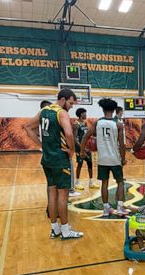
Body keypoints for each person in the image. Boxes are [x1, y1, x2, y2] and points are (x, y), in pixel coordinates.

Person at [24, 89, 84, 239]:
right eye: (70, 103)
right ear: (63, 100)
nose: (71, 107)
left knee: (52, 193)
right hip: (59, 159)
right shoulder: (61, 113)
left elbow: (27, 127)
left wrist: (41, 146)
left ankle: (55, 229)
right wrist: (71, 150)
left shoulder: (44, 110)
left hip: (47, 159)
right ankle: (65, 230)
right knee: (63, 194)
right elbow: (69, 134)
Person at [82, 98, 129, 216]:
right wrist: (123, 158)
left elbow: (86, 137)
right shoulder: (118, 124)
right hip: (114, 159)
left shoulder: (97, 123)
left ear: (102, 109)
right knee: (120, 182)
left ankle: (106, 208)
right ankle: (120, 207)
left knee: (104, 183)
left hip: (102, 159)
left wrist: (82, 151)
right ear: (114, 110)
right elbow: (122, 145)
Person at [73, 108, 98, 190]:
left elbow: (87, 135)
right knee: (80, 164)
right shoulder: (76, 124)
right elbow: (74, 138)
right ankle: (77, 183)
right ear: (81, 114)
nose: (86, 115)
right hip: (79, 148)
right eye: (85, 113)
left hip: (87, 148)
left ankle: (91, 182)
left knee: (90, 164)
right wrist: (82, 147)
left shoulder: (85, 123)